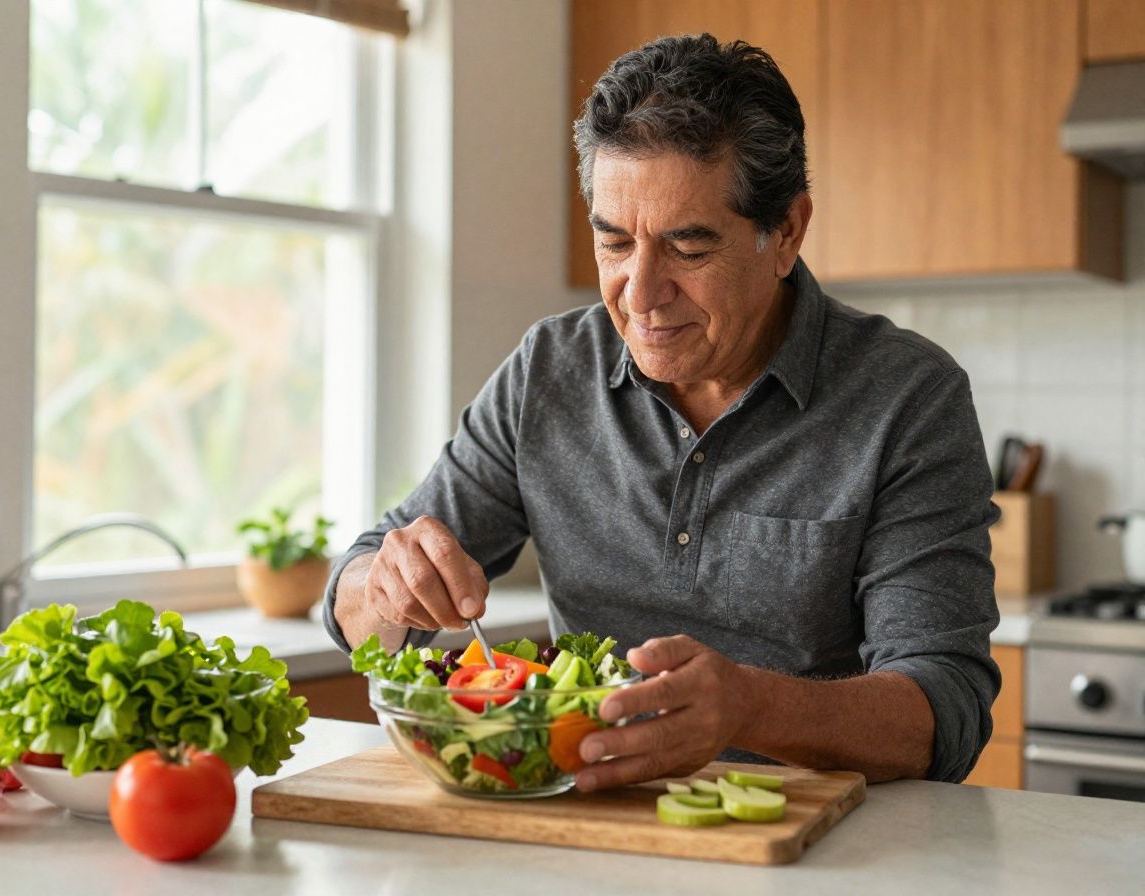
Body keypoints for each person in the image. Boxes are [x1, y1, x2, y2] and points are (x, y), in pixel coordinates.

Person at [325, 34, 1000, 790]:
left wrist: (749, 708)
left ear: (785, 233)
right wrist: (384, 587)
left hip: (819, 843)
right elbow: (355, 596)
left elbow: (946, 711)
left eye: (687, 247)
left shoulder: (908, 398)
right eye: (614, 243)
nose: (640, 295)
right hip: (591, 822)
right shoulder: (549, 370)